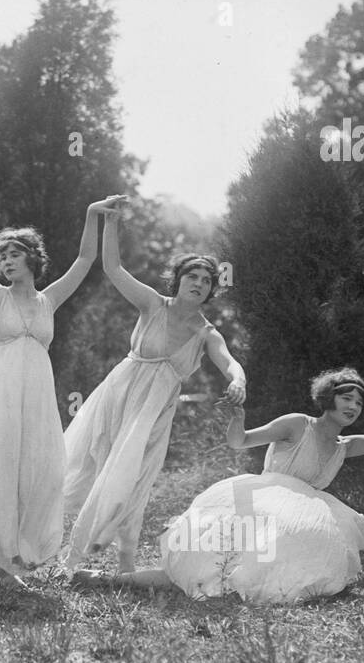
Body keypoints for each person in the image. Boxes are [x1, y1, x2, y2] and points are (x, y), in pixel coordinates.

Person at [72, 368, 364, 604]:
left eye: (359, 402)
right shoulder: (296, 424)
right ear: (327, 398)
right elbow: (241, 441)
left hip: (295, 523)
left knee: (256, 580)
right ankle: (105, 580)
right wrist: (237, 419)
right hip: (257, 505)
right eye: (345, 397)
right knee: (198, 571)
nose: (352, 406)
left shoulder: (348, 445)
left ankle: (119, 581)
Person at [0, 164, 118, 584]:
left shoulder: (49, 300)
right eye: (2, 256)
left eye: (14, 254)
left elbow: (86, 260)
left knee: (37, 472)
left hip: (37, 398)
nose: (6, 261)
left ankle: (16, 555)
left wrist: (92, 212)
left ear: (33, 258)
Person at [64, 213, 247, 572]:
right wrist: (111, 222)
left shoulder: (207, 333)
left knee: (136, 477)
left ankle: (123, 564)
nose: (198, 283)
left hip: (153, 412)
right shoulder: (152, 304)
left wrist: (238, 381)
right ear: (177, 280)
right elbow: (113, 267)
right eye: (191, 276)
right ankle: (72, 557)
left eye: (206, 280)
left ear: (212, 290)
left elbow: (230, 363)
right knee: (100, 466)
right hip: (118, 394)